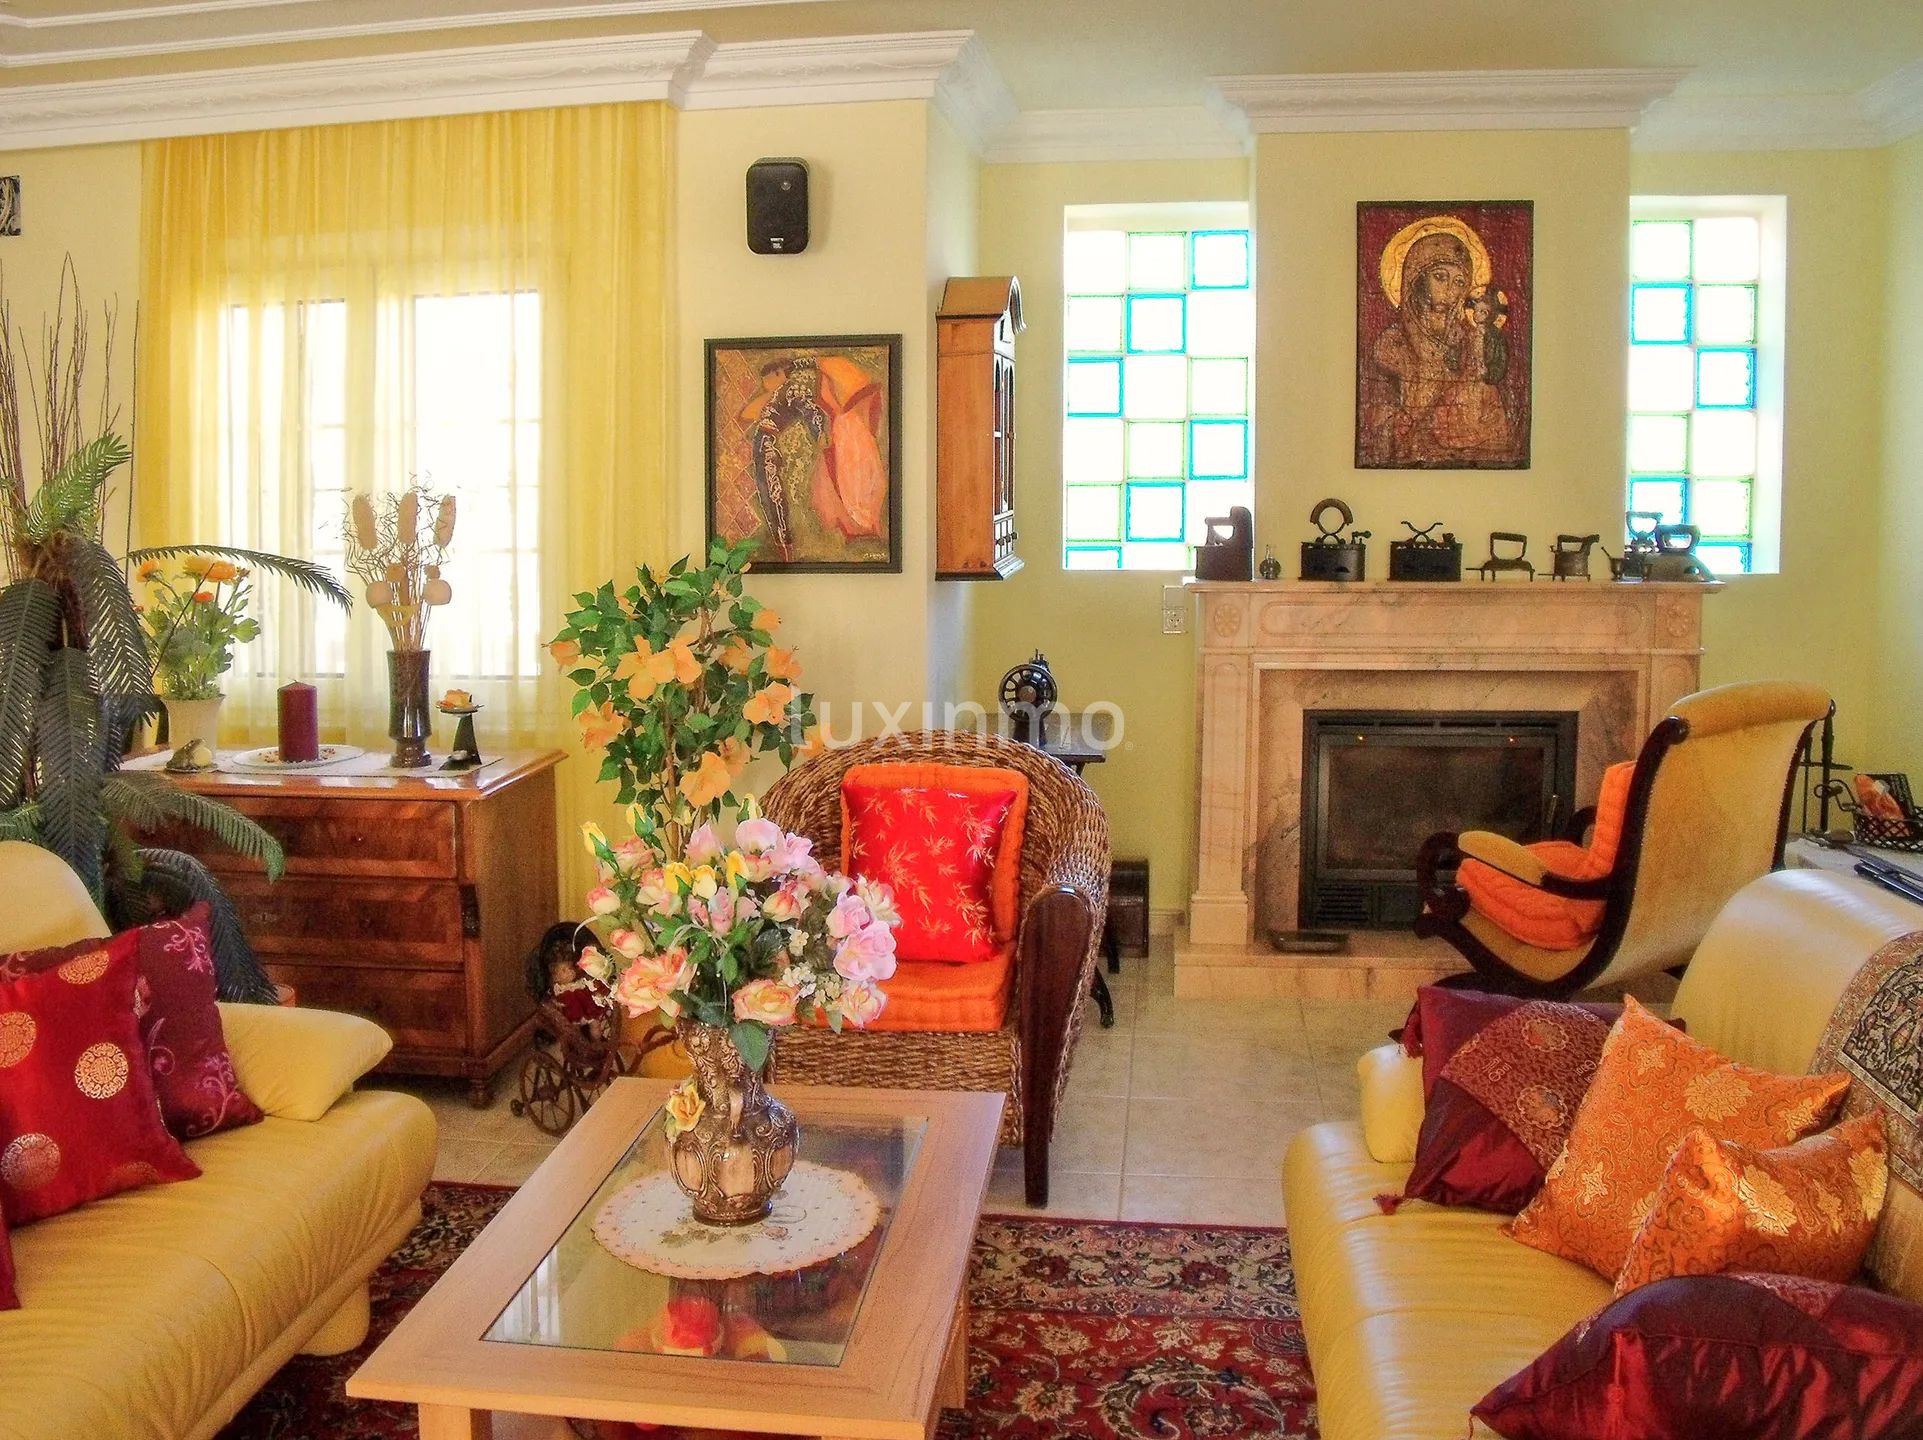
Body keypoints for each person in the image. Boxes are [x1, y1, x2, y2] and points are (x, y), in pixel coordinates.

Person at [1361, 223, 1516, 467]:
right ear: (1417, 278)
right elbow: (1372, 417)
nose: (1450, 291)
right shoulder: (1391, 344)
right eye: (1440, 277)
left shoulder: (1471, 340)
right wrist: (1403, 422)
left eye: (1459, 282)